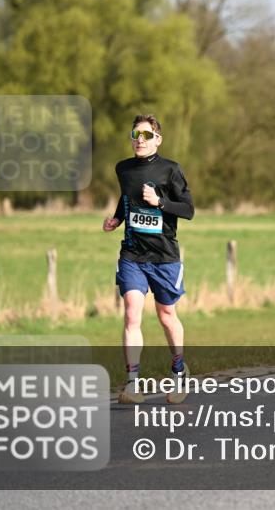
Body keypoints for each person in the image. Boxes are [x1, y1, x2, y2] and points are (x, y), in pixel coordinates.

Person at [103, 115, 196, 403]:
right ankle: (132, 384)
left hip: (164, 257)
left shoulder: (171, 170)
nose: (140, 140)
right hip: (132, 254)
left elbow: (188, 210)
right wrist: (117, 218)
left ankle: (179, 372)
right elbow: (126, 198)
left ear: (158, 139)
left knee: (166, 316)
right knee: (132, 313)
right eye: (136, 134)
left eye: (146, 135)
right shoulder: (124, 169)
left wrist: (160, 202)